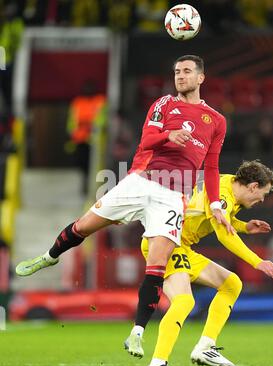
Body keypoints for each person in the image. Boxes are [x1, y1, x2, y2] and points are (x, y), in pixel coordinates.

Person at [16, 55, 232, 341]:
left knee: (156, 264)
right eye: (177, 71)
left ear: (201, 77)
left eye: (187, 71)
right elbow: (146, 141)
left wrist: (215, 204)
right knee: (84, 226)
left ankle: (138, 332)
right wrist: (170, 134)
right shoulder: (164, 104)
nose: (180, 76)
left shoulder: (216, 120)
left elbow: (213, 166)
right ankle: (49, 257)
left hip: (173, 196)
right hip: (141, 182)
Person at [137, 160, 273, 366]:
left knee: (231, 284)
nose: (261, 199)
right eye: (263, 193)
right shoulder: (222, 193)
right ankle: (157, 364)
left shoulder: (227, 183)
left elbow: (218, 216)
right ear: (253, 186)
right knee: (184, 301)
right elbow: (223, 233)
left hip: (180, 246)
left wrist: (244, 227)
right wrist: (257, 261)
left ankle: (206, 347)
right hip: (166, 244)